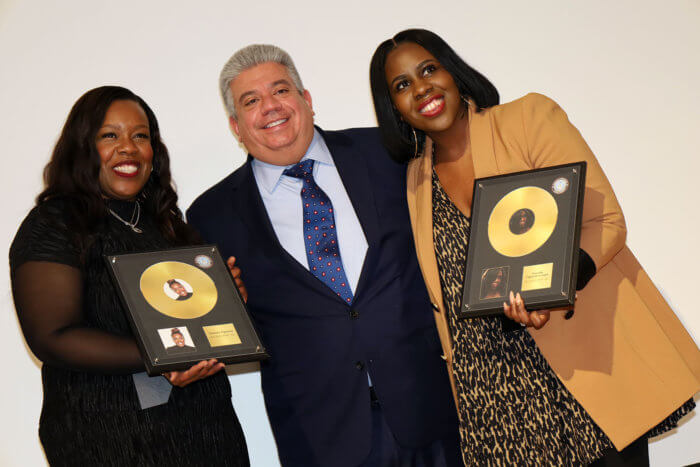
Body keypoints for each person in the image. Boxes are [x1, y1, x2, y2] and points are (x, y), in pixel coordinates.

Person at [370, 29, 700, 466]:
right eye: (403, 85)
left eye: (428, 69)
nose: (422, 88)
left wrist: (551, 291)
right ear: (394, 109)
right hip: (493, 399)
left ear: (453, 71)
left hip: (579, 367)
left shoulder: (526, 120)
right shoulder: (415, 181)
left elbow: (605, 222)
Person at [187, 45, 461, 467]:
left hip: (429, 410)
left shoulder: (388, 153)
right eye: (251, 101)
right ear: (236, 126)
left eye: (280, 90)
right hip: (320, 437)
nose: (270, 107)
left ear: (306, 99)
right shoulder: (213, 215)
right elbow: (222, 326)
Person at [9, 86, 249, 466]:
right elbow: (53, 337)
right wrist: (166, 356)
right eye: (110, 136)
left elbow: (191, 321)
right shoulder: (55, 224)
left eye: (140, 135)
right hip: (108, 438)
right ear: (83, 146)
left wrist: (226, 299)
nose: (128, 147)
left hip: (205, 432)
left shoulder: (170, 226)